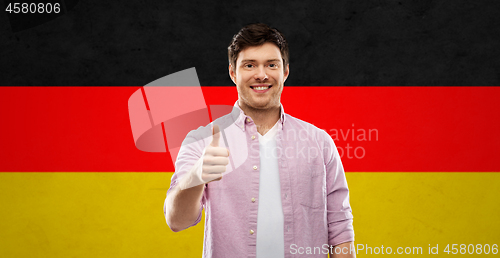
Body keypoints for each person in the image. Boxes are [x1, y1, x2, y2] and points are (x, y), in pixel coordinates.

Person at [164, 23, 355, 258]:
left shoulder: (320, 142)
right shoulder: (202, 141)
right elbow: (176, 220)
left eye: (271, 65)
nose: (261, 74)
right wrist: (196, 176)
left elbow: (340, 230)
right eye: (249, 65)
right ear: (233, 73)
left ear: (285, 72)